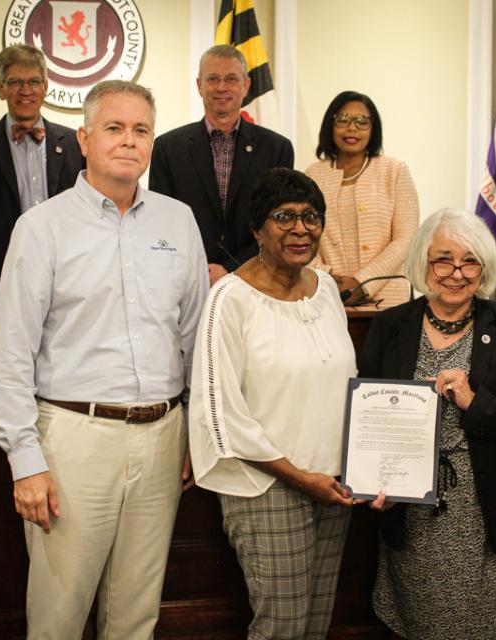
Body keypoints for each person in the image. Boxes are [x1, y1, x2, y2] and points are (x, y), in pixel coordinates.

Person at [0, 80, 208, 639]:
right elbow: (12, 352)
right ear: (84, 139)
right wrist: (25, 460)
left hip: (162, 436)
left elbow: (194, 338)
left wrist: (194, 433)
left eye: (141, 130)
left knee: (136, 614)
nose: (128, 141)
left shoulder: (178, 221)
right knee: (59, 615)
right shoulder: (42, 227)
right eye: (114, 128)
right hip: (72, 438)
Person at [360, 208, 496, 639]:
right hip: (413, 509)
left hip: (489, 511)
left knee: (492, 627)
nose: (456, 273)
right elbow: (368, 422)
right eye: (443, 259)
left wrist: (474, 402)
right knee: (425, 624)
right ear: (423, 264)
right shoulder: (390, 326)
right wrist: (375, 484)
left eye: (470, 261)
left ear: (485, 269)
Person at [188, 168, 356, 639]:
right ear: (257, 228)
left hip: (332, 485)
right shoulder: (230, 298)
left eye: (311, 217)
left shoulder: (326, 291)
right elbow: (221, 413)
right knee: (281, 628)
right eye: (284, 217)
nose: (300, 229)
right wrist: (301, 478)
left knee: (315, 627)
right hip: (268, 486)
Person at [150, 44, 294, 285]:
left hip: (258, 281)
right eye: (213, 79)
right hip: (187, 282)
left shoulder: (277, 149)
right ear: (199, 85)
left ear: (246, 85)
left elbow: (278, 223)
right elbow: (162, 222)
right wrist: (199, 270)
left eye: (231, 79)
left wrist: (232, 269)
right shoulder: (167, 148)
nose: (221, 87)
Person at [0, 44, 83, 311]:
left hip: (68, 277)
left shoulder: (76, 144)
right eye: (15, 83)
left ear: (46, 86)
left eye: (34, 82)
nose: (26, 91)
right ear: (0, 89)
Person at [305, 91, 420, 307]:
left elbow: (406, 239)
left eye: (362, 121)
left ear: (373, 128)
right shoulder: (313, 175)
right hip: (326, 297)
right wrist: (328, 279)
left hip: (389, 299)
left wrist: (362, 283)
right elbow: (303, 237)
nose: (352, 128)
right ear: (331, 125)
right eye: (343, 120)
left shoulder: (394, 171)